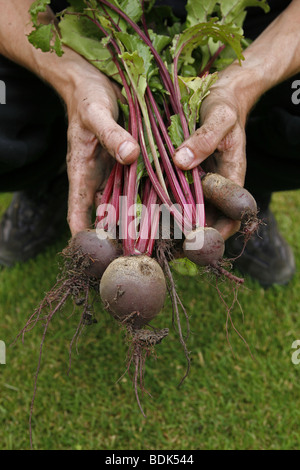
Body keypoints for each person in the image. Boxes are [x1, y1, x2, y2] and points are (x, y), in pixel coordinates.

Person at [0, 0, 299, 287]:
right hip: (76, 30)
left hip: (257, 33)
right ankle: (49, 183)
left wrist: (240, 88)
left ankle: (241, 194)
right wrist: (73, 79)